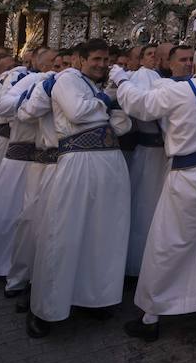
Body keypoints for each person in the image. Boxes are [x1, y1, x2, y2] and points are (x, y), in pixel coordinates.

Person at [114, 44, 196, 341]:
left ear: (194, 67)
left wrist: (120, 79)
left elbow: (139, 105)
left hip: (187, 173)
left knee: (168, 242)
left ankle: (152, 317)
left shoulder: (177, 91)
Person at [26, 40, 131, 338]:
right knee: (64, 232)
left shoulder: (96, 85)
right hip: (78, 162)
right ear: (78, 59)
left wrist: (104, 104)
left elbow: (123, 125)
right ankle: (46, 308)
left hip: (110, 164)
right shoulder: (66, 79)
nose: (101, 64)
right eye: (96, 58)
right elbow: (77, 112)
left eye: (105, 59)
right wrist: (107, 102)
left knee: (104, 233)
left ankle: (94, 297)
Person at [0, 46, 58, 292]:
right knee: (2, 214)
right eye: (54, 62)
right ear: (42, 65)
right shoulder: (26, 78)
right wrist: (33, 97)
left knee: (33, 220)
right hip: (19, 156)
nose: (59, 66)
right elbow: (0, 107)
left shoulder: (68, 83)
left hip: (46, 161)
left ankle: (25, 273)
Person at [122, 44, 168, 279]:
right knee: (145, 204)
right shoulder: (141, 77)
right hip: (149, 151)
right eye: (150, 55)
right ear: (140, 59)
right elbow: (144, 108)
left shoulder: (160, 77)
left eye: (157, 55)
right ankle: (139, 263)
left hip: (162, 154)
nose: (154, 58)